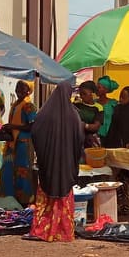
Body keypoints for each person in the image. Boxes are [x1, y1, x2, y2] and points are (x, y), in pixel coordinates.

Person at [29, 82, 84, 242]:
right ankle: (63, 231)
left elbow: (35, 133)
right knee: (63, 194)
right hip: (66, 164)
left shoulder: (43, 114)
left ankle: (41, 229)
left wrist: (45, 152)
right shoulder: (74, 115)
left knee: (46, 192)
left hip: (49, 163)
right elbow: (79, 138)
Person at [0, 81, 37, 205]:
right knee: (9, 170)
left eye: (23, 88)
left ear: (29, 90)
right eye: (18, 87)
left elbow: (32, 126)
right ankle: (11, 199)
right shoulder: (16, 104)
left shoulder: (29, 106)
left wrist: (13, 126)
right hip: (13, 143)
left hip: (23, 144)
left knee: (23, 172)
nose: (19, 90)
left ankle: (24, 201)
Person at [102, 85, 129, 149]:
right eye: (120, 96)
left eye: (124, 97)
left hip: (128, 146)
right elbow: (112, 127)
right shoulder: (117, 109)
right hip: (114, 144)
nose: (121, 99)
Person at [73, 80, 103, 148]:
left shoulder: (98, 108)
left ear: (92, 93)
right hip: (76, 139)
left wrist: (84, 125)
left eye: (84, 94)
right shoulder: (76, 105)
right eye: (80, 94)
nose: (82, 96)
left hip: (89, 141)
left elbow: (96, 126)